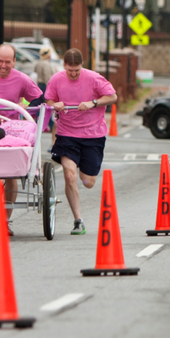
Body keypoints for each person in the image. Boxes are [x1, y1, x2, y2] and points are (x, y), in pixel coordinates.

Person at [44, 49, 117, 235]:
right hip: (67, 134)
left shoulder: (94, 78)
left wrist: (93, 103)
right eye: (70, 70)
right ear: (64, 66)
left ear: (82, 65)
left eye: (76, 70)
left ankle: (83, 174)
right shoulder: (57, 79)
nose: (73, 74)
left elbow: (112, 96)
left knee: (88, 182)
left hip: (93, 135)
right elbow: (49, 100)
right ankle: (78, 220)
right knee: (70, 175)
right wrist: (55, 104)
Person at [0, 43, 43, 228]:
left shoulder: (22, 79)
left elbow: (37, 97)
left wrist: (26, 104)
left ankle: (5, 220)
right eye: (0, 61)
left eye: (7, 62)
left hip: (12, 131)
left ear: (14, 62)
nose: (3, 66)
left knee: (11, 175)